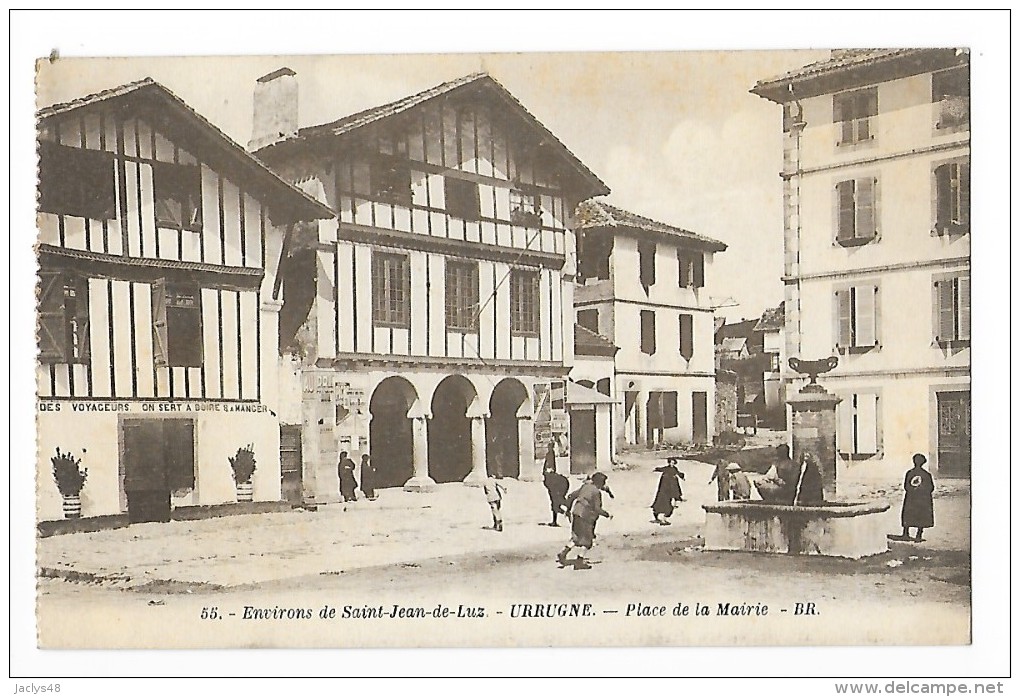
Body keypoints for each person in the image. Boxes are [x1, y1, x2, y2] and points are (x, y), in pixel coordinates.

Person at [557, 472, 612, 570]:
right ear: (600, 483)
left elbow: (571, 495)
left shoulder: (585, 486)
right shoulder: (596, 493)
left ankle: (563, 553)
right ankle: (579, 561)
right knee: (588, 540)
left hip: (576, 512)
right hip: (585, 516)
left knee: (577, 536)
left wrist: (568, 508)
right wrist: (607, 514)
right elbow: (597, 509)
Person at [898, 453, 935, 542]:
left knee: (909, 514)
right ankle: (918, 534)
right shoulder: (926, 474)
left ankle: (906, 533)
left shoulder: (910, 473)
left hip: (911, 498)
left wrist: (913, 490)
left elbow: (906, 486)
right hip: (922, 499)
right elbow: (931, 487)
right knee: (921, 515)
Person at [651, 460, 683, 525]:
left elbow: (678, 473)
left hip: (667, 492)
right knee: (666, 507)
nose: (672, 464)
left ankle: (660, 518)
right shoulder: (667, 472)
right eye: (671, 463)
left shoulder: (673, 470)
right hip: (665, 491)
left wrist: (682, 476)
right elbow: (661, 469)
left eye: (673, 463)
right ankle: (662, 520)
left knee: (663, 505)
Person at [542, 458, 569, 526]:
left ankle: (568, 512)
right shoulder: (549, 479)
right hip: (559, 486)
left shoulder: (552, 480)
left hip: (560, 486)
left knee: (557, 502)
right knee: (556, 503)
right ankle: (564, 513)